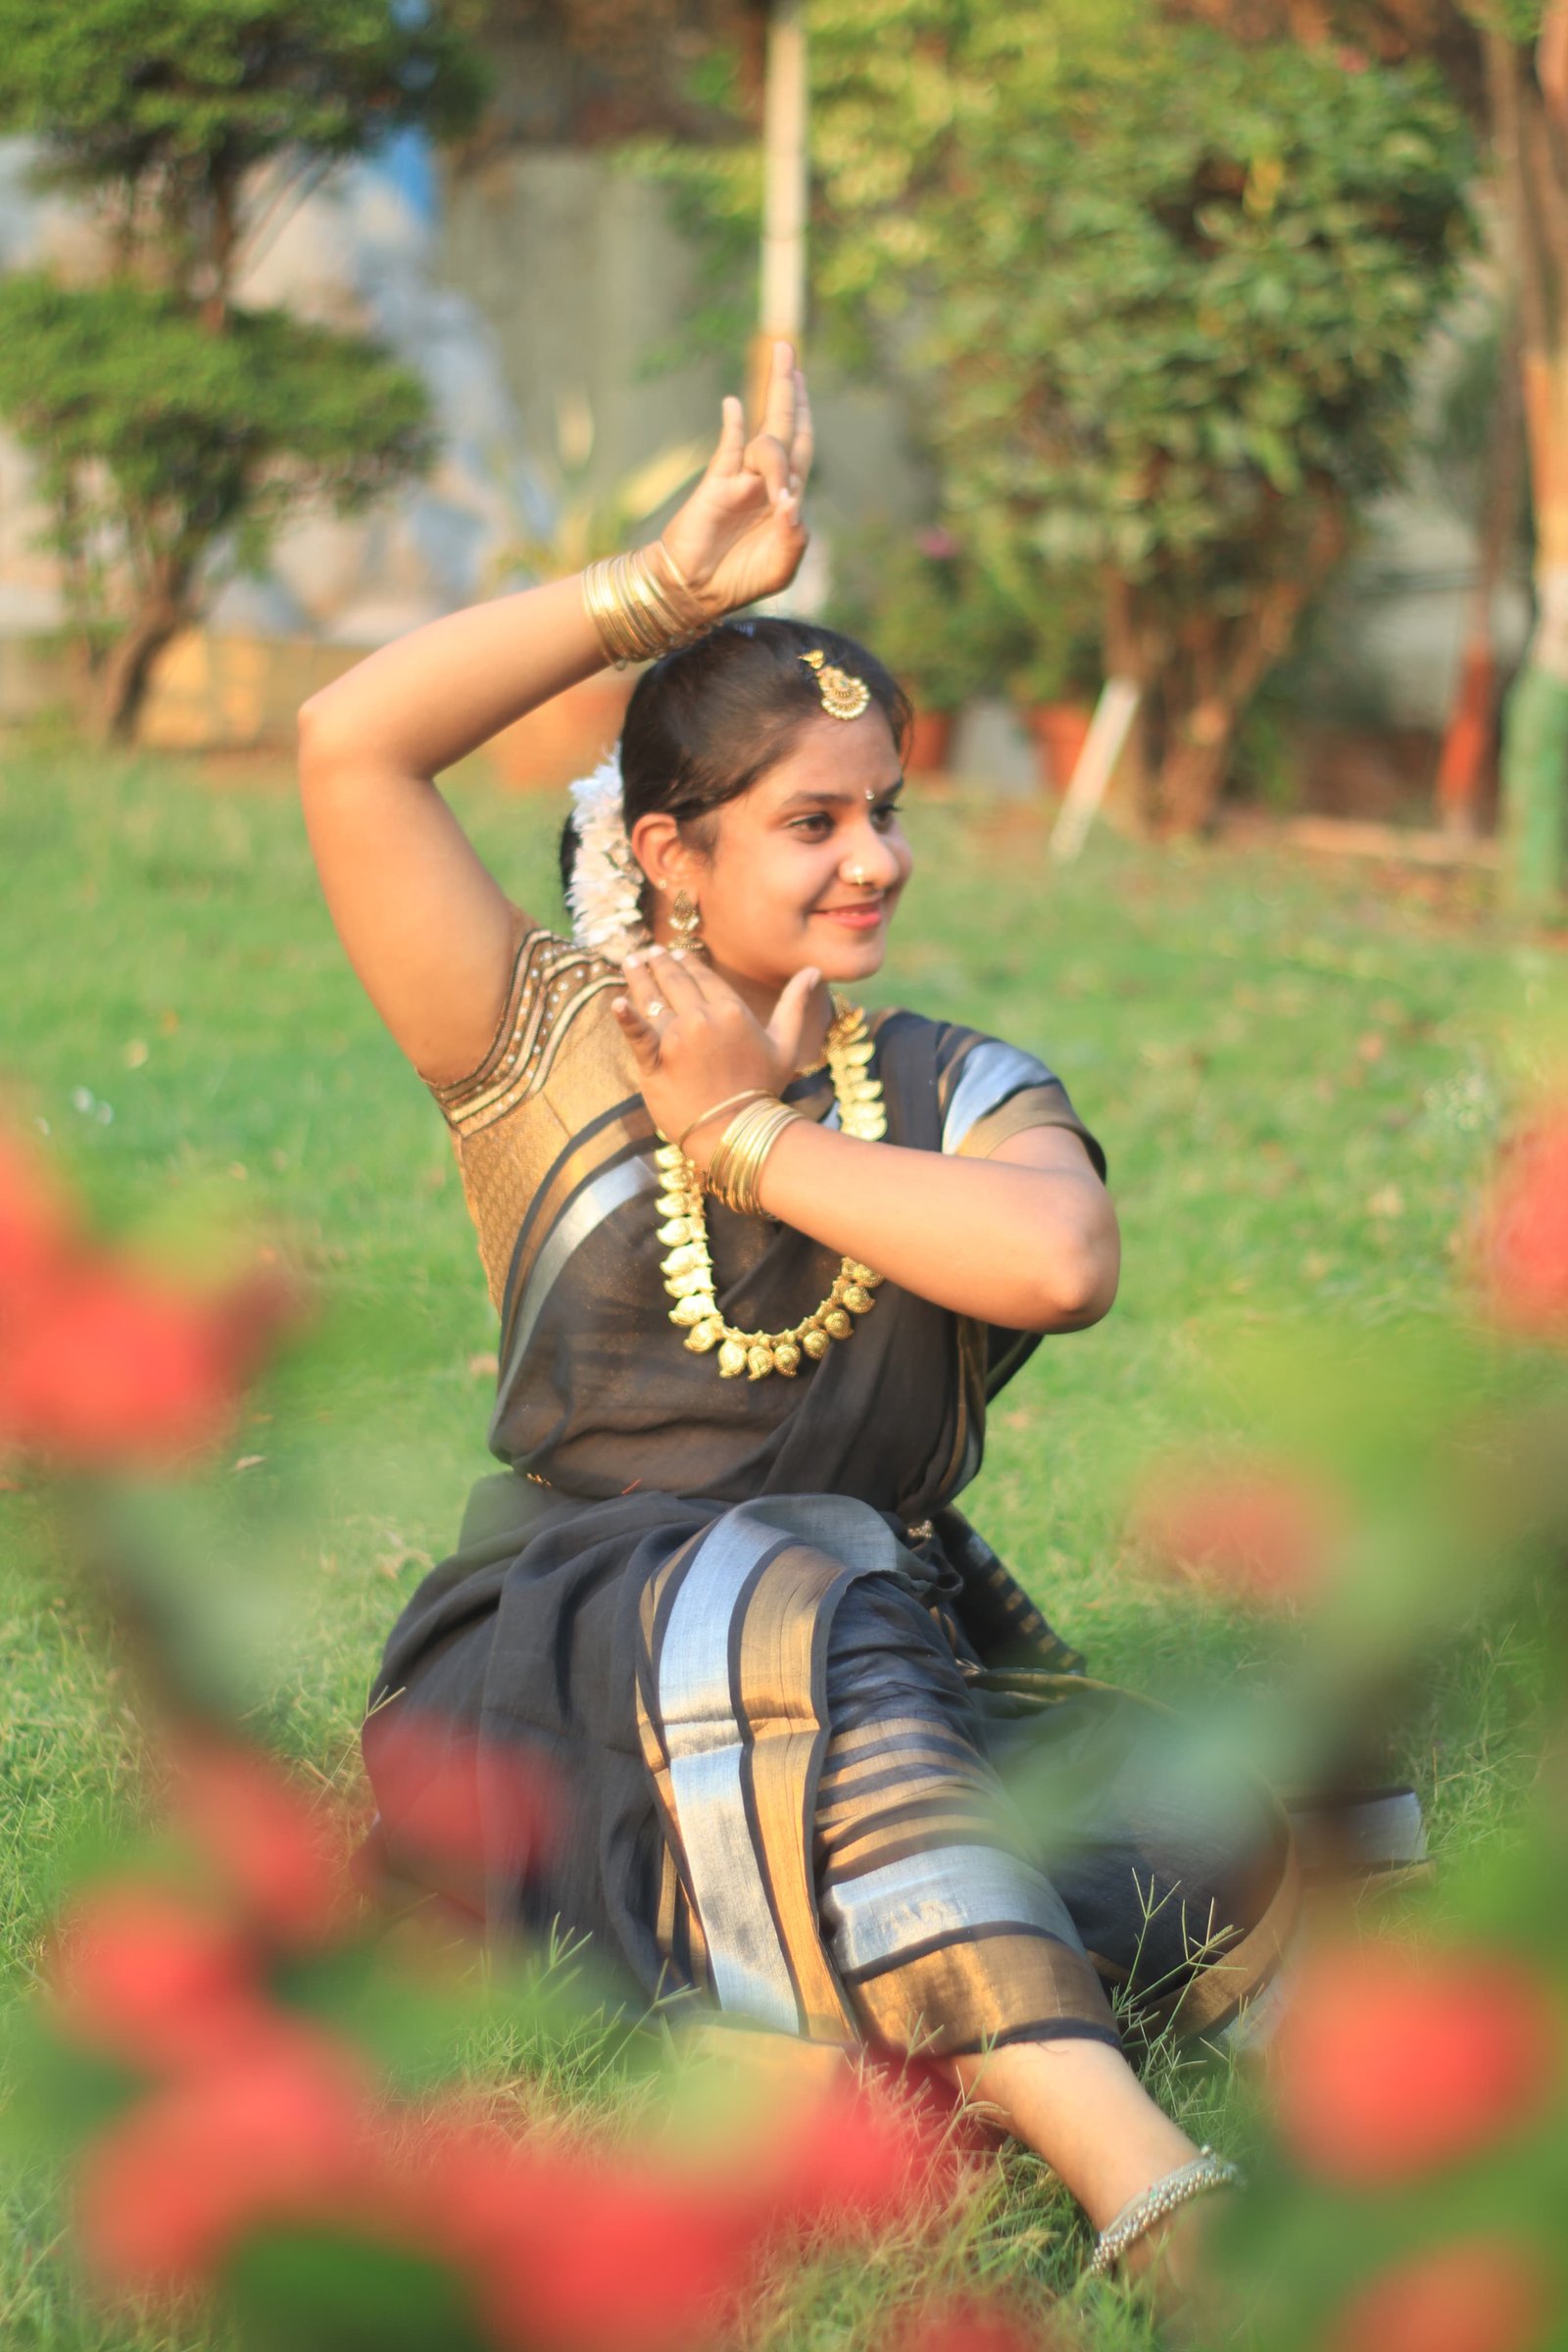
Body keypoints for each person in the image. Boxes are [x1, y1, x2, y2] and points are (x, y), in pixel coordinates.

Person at [297, 343, 1295, 2299]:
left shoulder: (950, 1084)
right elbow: (348, 743)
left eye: (887, 812)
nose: (878, 860)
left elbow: (1054, 1267)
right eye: (812, 823)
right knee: (792, 1577)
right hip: (567, 1681)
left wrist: (744, 1138)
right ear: (664, 854)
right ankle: (1145, 2182)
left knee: (1213, 1836)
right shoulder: (539, 1049)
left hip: (876, 1672)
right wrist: (649, 599)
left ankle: (857, 1997)